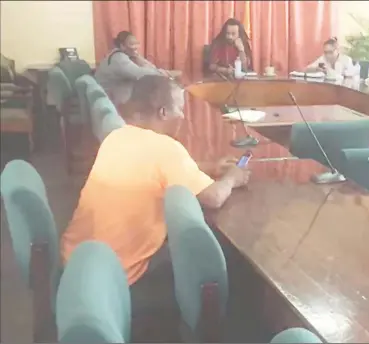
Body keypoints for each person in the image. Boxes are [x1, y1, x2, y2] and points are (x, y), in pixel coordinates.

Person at [60, 75, 250, 290]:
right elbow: (213, 197)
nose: (183, 116)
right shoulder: (166, 148)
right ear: (163, 112)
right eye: (179, 108)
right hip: (119, 278)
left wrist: (209, 167)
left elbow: (155, 166)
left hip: (78, 263)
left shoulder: (117, 137)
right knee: (220, 261)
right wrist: (232, 178)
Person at [95, 31, 172, 106]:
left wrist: (138, 57)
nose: (136, 47)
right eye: (132, 44)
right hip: (110, 102)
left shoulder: (123, 54)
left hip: (112, 97)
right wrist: (162, 73)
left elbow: (150, 68)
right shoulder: (118, 58)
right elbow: (140, 74)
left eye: (137, 43)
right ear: (122, 46)